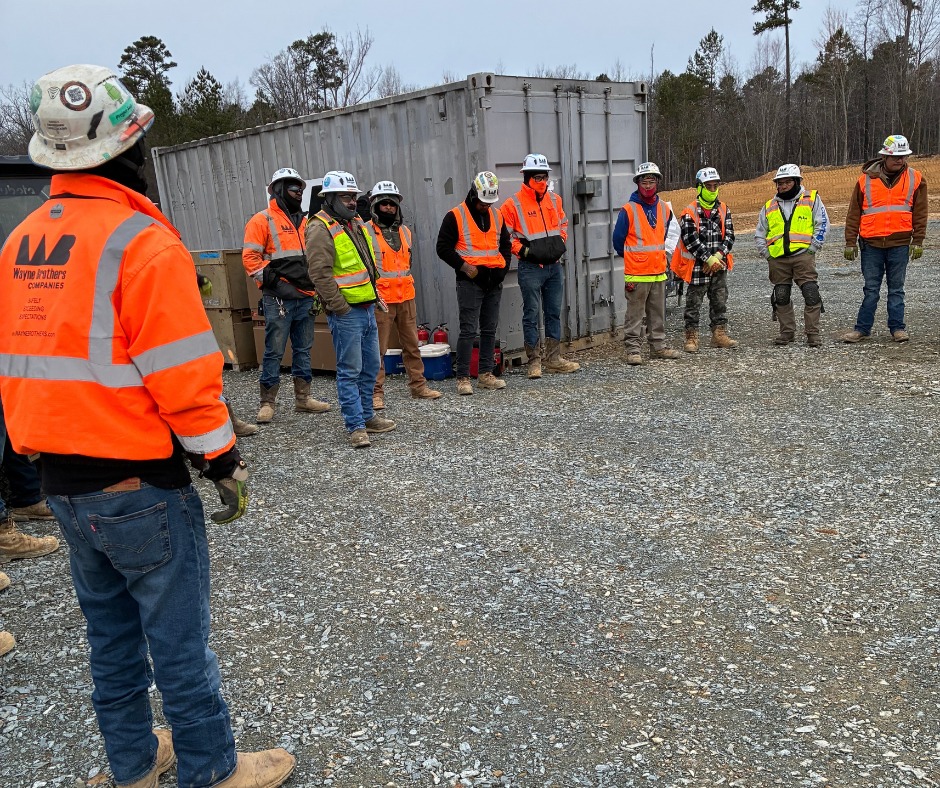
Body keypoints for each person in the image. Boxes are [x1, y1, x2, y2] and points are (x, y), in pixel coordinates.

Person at [0, 64, 294, 787]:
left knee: (111, 640)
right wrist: (222, 461)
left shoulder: (19, 246)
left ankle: (132, 766)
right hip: (139, 483)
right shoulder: (143, 244)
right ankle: (210, 770)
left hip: (61, 485)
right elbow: (182, 379)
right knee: (179, 646)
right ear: (128, 151)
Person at [306, 170, 396, 449]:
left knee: (370, 366)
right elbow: (319, 273)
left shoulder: (355, 222)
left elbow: (366, 263)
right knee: (350, 370)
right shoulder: (319, 227)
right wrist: (340, 307)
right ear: (330, 198)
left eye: (354, 196)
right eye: (346, 196)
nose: (352, 201)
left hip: (367, 307)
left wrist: (374, 293)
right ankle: (355, 425)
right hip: (347, 313)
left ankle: (367, 416)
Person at [243, 167, 330, 424]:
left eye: (301, 189)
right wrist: (276, 284)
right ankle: (267, 403)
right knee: (274, 350)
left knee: (303, 349)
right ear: (279, 190)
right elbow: (250, 260)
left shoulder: (305, 222)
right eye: (294, 189)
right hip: (278, 298)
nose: (299, 193)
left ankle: (303, 399)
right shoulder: (261, 220)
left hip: (305, 296)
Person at [841, 134, 927, 344]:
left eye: (903, 156)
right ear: (884, 156)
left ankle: (897, 328)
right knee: (871, 289)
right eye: (896, 156)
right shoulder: (865, 180)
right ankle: (862, 329)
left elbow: (921, 212)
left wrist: (918, 240)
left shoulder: (916, 178)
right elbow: (854, 213)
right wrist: (850, 242)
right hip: (871, 245)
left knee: (896, 289)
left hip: (899, 244)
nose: (900, 160)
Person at [500, 154, 579, 378]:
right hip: (531, 268)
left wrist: (561, 240)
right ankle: (534, 361)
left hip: (554, 267)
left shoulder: (555, 200)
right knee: (531, 313)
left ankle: (553, 358)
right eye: (537, 177)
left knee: (553, 312)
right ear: (526, 177)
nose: (542, 181)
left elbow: (563, 222)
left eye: (544, 177)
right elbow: (504, 236)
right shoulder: (512, 204)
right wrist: (523, 251)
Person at [364, 180, 441, 409]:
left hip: (406, 296)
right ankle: (375, 393)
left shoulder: (405, 232)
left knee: (412, 345)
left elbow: (407, 264)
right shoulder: (365, 231)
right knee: (377, 349)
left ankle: (418, 386)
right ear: (375, 205)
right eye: (384, 203)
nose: (389, 208)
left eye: (392, 204)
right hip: (381, 300)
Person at [436, 171, 512, 395]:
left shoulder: (497, 216)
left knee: (489, 329)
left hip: (493, 280)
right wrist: (467, 269)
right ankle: (462, 378)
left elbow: (506, 247)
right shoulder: (455, 216)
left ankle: (486, 374)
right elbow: (443, 248)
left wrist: (502, 271)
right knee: (468, 329)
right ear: (472, 194)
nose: (485, 206)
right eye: (482, 202)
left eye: (489, 203)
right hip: (470, 281)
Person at [612, 162, 681, 365]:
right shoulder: (628, 210)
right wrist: (634, 259)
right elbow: (618, 241)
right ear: (638, 183)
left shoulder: (664, 209)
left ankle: (658, 347)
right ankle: (633, 350)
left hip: (658, 271)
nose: (648, 185)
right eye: (644, 181)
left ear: (657, 182)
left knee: (657, 314)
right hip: (637, 273)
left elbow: (665, 234)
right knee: (634, 316)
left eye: (652, 180)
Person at [755, 164, 829, 347]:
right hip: (778, 259)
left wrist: (813, 247)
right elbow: (760, 233)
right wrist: (767, 254)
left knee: (811, 293)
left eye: (787, 182)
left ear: (796, 181)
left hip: (803, 256)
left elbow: (822, 223)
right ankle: (786, 333)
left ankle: (813, 334)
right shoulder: (769, 206)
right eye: (780, 183)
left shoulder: (811, 199)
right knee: (781, 295)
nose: (783, 186)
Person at [672, 166, 737, 353]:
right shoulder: (689, 212)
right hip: (697, 267)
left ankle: (719, 335)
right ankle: (691, 338)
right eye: (708, 186)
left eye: (715, 186)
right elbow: (690, 240)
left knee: (720, 301)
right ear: (700, 187)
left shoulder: (724, 209)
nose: (712, 190)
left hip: (719, 266)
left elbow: (730, 236)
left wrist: (717, 257)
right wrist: (708, 260)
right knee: (693, 303)